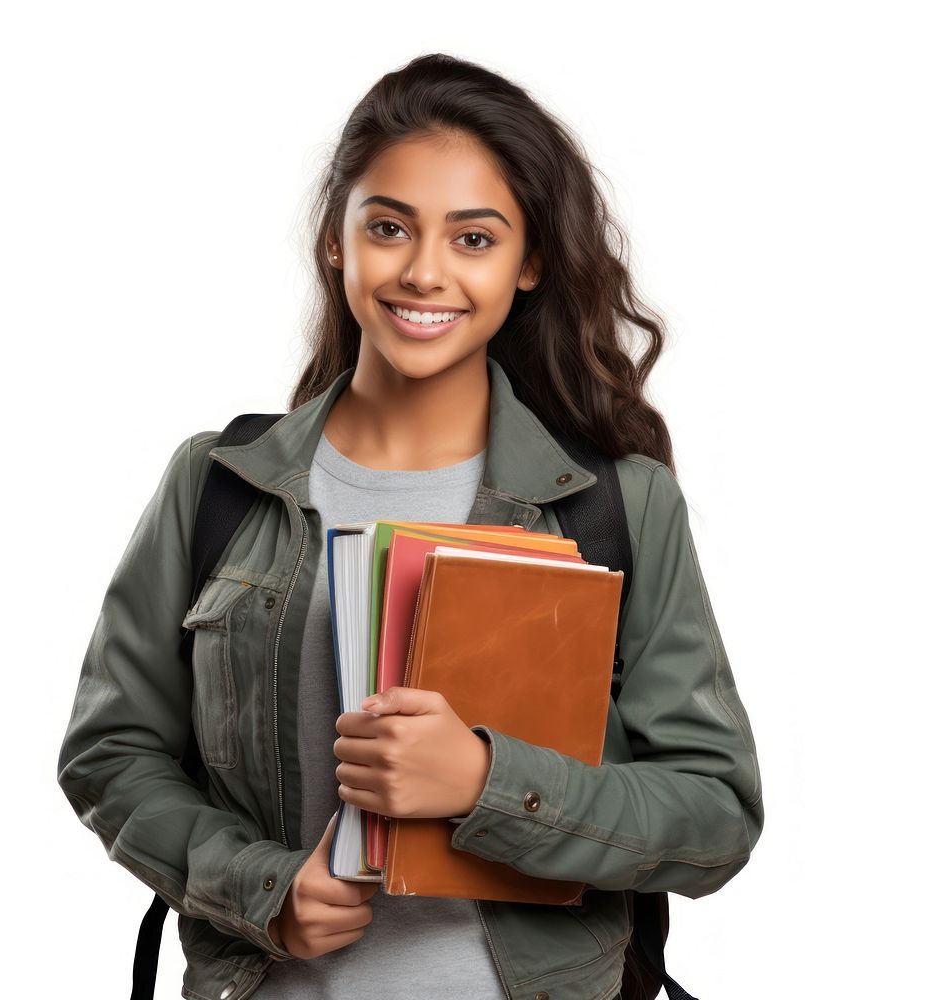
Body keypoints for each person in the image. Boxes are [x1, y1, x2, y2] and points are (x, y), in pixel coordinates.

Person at [57, 52, 763, 1000]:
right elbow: (110, 753)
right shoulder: (218, 481)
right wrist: (257, 889)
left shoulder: (615, 502)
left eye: (475, 239)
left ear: (530, 264)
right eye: (390, 227)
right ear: (338, 241)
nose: (425, 272)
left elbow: (715, 814)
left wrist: (483, 781)